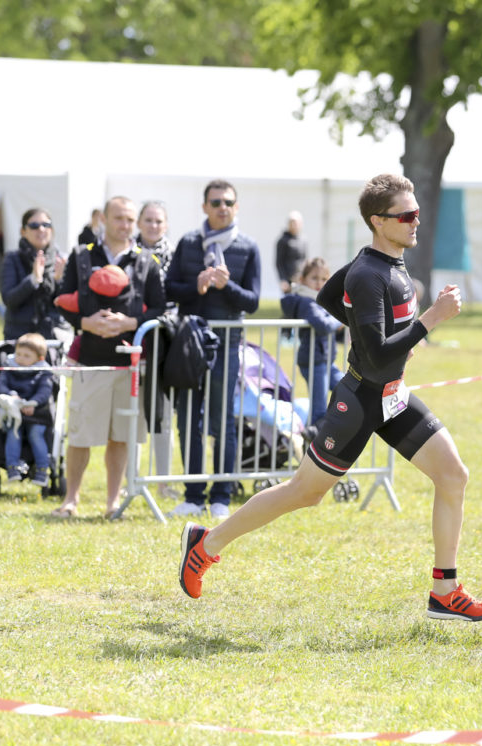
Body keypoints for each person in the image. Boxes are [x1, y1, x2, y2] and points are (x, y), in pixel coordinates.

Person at [177, 172, 482, 623]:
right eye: (405, 216)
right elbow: (380, 351)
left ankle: (444, 591)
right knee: (303, 493)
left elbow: (330, 295)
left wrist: (365, 320)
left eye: (417, 215)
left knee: (453, 475)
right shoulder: (370, 274)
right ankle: (205, 545)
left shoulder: (384, 263)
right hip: (360, 401)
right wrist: (432, 318)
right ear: (377, 221)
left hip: (391, 397)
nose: (415, 223)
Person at [53, 196, 166, 519]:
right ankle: (70, 500)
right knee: (81, 435)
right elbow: (59, 299)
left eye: (130, 220)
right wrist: (84, 323)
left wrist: (130, 323)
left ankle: (112, 502)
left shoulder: (147, 261)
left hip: (131, 365)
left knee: (120, 437)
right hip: (92, 361)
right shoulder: (81, 256)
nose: (125, 225)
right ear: (103, 218)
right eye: (119, 218)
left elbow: (160, 307)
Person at [165, 179, 261, 520]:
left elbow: (252, 301)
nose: (222, 207)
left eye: (228, 202)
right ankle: (193, 495)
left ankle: (222, 494)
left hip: (228, 342)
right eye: (216, 202)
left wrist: (227, 285)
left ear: (236, 208)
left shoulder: (247, 247)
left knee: (223, 419)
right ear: (204, 206)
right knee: (188, 418)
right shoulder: (189, 242)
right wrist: (198, 285)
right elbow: (169, 288)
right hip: (189, 343)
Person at [134, 200, 178, 498]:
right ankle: (133, 482)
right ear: (139, 223)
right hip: (134, 345)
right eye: (148, 220)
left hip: (165, 346)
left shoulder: (175, 256)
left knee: (163, 417)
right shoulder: (128, 254)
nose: (153, 226)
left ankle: (163, 483)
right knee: (132, 418)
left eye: (158, 221)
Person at [279, 257, 345, 427]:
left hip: (326, 360)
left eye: (324, 279)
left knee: (348, 390)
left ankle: (335, 431)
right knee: (319, 411)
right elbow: (322, 325)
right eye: (314, 278)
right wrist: (340, 321)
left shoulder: (321, 300)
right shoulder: (306, 302)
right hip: (313, 361)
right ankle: (313, 447)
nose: (319, 283)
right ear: (302, 280)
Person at [0, 332, 54, 485]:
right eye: (18, 353)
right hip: (13, 411)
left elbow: (44, 391)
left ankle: (42, 470)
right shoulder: (9, 367)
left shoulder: (44, 371)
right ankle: (12, 467)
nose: (20, 358)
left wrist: (33, 403)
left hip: (37, 412)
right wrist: (12, 396)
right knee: (13, 433)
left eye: (27, 356)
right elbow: (0, 385)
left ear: (39, 358)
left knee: (36, 434)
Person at [1, 208, 65, 341]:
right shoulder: (12, 258)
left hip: (55, 335)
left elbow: (70, 305)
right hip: (20, 337)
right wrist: (33, 280)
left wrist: (58, 281)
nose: (41, 229)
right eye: (34, 225)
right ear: (23, 231)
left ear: (51, 230)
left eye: (46, 225)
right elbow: (9, 300)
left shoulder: (62, 259)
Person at [275, 210, 308, 294]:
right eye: (291, 222)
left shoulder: (303, 240)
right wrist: (283, 279)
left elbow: (305, 260)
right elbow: (279, 262)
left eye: (296, 223)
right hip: (288, 279)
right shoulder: (283, 240)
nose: (293, 225)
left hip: (300, 279)